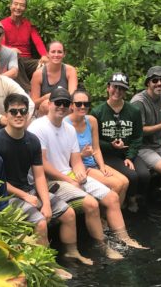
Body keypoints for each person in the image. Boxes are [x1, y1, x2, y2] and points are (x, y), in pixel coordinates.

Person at [28, 87, 147, 257]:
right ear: (49, 104)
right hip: (48, 180)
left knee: (112, 198)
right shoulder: (38, 127)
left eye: (65, 103)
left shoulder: (68, 129)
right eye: (58, 103)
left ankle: (124, 238)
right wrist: (69, 180)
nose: (62, 106)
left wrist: (79, 172)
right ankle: (103, 246)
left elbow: (76, 160)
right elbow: (42, 165)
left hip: (68, 174)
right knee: (91, 204)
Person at [0, 94, 91, 279]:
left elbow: (38, 175)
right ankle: (47, 265)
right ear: (6, 113)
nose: (19, 115)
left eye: (22, 111)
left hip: (29, 189)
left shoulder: (32, 140)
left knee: (68, 213)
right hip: (6, 196)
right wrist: (26, 196)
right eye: (14, 111)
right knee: (41, 223)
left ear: (28, 114)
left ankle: (71, 252)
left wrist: (45, 202)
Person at [91, 73, 151, 211]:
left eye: (121, 88)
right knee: (132, 175)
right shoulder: (97, 112)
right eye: (114, 87)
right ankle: (129, 201)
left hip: (128, 151)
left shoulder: (134, 111)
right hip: (108, 154)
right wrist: (110, 145)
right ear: (108, 87)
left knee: (145, 175)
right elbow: (94, 141)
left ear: (125, 91)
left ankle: (138, 197)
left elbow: (137, 137)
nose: (117, 91)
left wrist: (130, 156)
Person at [65, 89, 129, 206]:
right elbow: (62, 157)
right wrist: (82, 155)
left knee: (125, 182)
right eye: (79, 104)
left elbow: (96, 148)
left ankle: (113, 214)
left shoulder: (92, 121)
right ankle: (104, 217)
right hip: (79, 166)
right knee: (117, 184)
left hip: (93, 163)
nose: (83, 107)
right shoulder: (65, 124)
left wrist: (102, 166)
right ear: (71, 106)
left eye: (86, 104)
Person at [131, 66, 161, 192]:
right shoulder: (139, 102)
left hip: (159, 145)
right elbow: (139, 131)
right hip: (142, 147)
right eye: (155, 80)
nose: (159, 83)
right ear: (148, 83)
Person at [1, 0, 49, 91]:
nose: (18, 7)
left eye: (22, 5)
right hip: (11, 60)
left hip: (27, 60)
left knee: (46, 66)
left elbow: (38, 42)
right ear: (10, 6)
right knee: (14, 57)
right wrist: (10, 50)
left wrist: (44, 55)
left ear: (25, 8)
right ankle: (27, 90)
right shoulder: (2, 24)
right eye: (15, 4)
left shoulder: (28, 24)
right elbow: (0, 46)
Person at [30, 41, 78, 116]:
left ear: (64, 54)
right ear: (47, 54)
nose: (56, 55)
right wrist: (45, 97)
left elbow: (73, 95)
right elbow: (33, 104)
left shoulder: (70, 70)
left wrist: (59, 97)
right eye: (53, 52)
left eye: (59, 52)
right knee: (46, 105)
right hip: (45, 113)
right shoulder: (38, 74)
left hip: (65, 105)